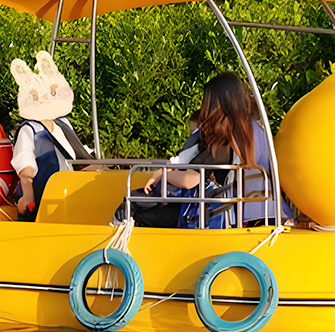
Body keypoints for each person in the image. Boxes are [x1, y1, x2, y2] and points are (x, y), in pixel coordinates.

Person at [117, 72, 286, 228]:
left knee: (133, 203)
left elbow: (190, 180)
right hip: (265, 211)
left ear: (216, 104)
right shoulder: (254, 131)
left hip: (228, 214)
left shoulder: (225, 135)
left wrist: (163, 172)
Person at [10, 51, 92, 221]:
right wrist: (28, 196)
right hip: (46, 195)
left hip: (69, 192)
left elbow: (79, 156)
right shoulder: (30, 130)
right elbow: (25, 166)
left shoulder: (63, 123)